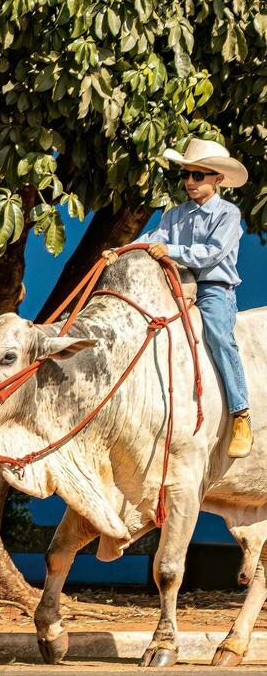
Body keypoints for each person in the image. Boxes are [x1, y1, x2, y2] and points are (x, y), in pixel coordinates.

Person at [108, 137, 252, 458]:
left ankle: (240, 412)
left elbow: (211, 252)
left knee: (217, 333)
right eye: (186, 175)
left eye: (198, 175)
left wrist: (171, 250)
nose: (189, 182)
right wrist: (120, 252)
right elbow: (152, 239)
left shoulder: (229, 215)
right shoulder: (175, 214)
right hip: (175, 284)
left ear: (217, 178)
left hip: (213, 287)